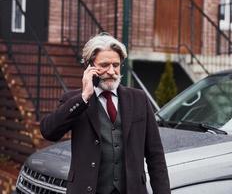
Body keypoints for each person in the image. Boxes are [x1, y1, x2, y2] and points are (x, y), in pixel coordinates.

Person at [40, 33, 171, 194]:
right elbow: (48, 131)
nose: (111, 71)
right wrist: (84, 97)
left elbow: (155, 155)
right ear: (90, 66)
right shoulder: (74, 100)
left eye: (116, 65)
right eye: (104, 65)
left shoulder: (139, 99)